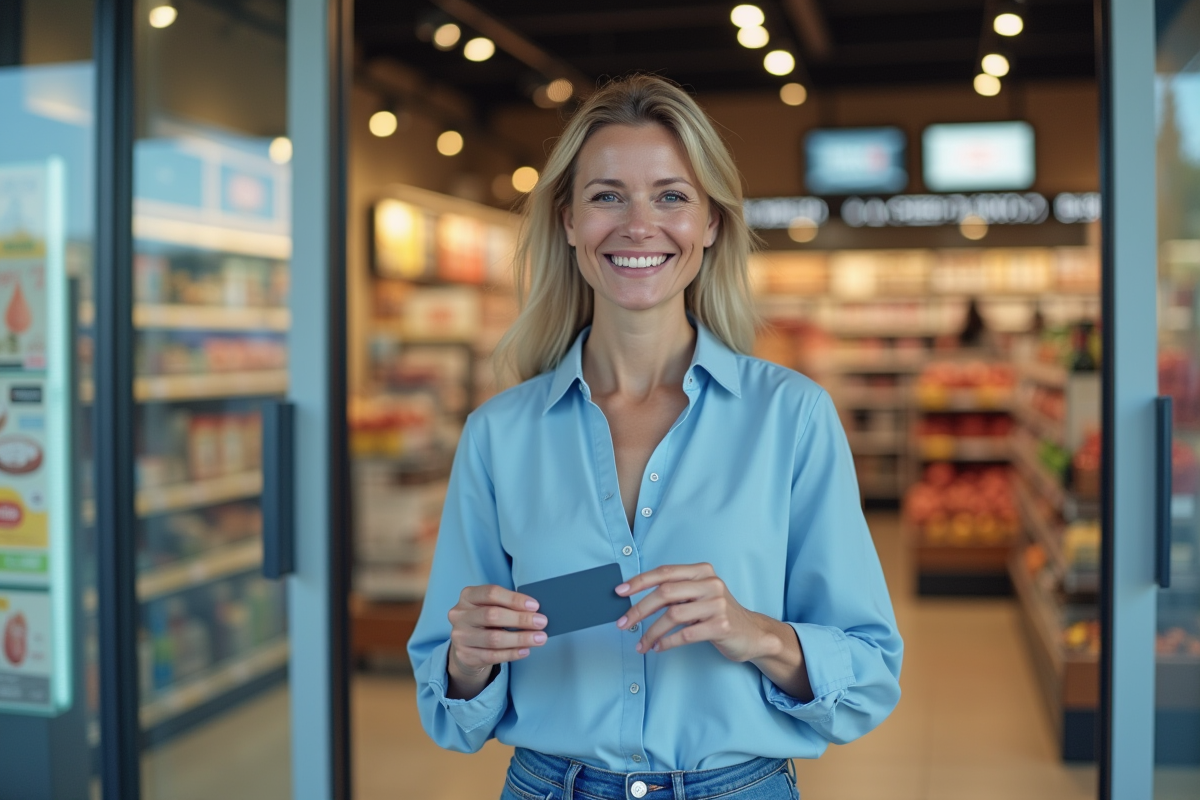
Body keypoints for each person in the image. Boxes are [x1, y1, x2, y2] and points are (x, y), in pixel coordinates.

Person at [407, 74, 903, 800]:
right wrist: (468, 658)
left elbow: (869, 670)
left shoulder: (790, 417)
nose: (639, 226)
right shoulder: (500, 434)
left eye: (671, 196)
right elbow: (446, 703)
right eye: (607, 195)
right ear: (569, 220)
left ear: (710, 223)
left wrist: (752, 630)